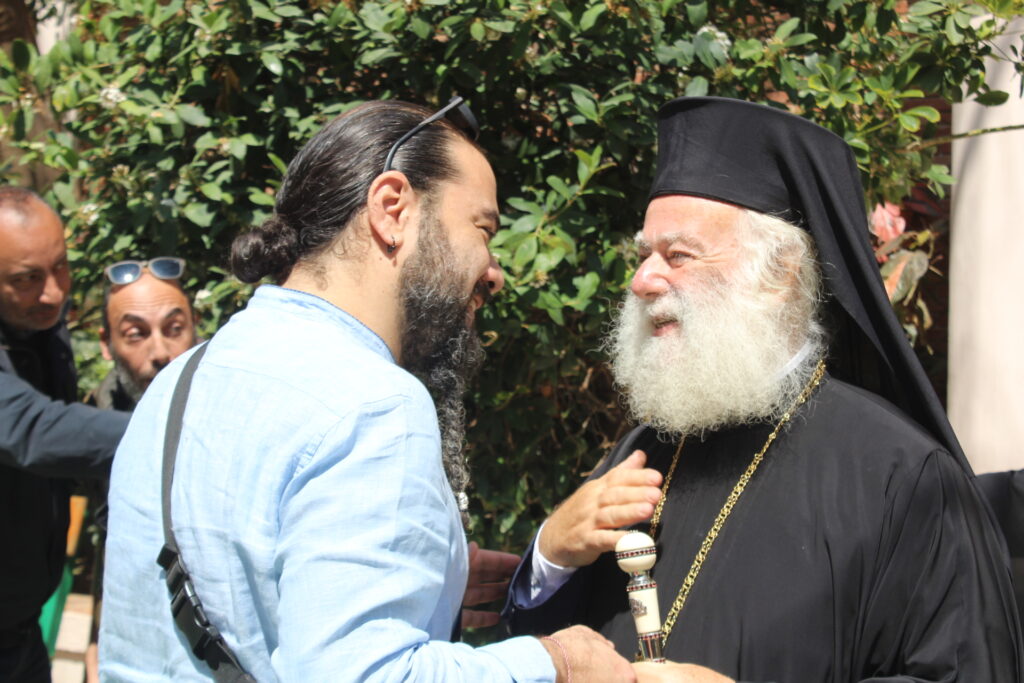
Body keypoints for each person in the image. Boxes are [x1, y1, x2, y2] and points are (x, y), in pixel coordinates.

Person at [99, 98, 634, 682]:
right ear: (392, 209)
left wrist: (420, 580)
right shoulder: (376, 404)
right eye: (482, 229)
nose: (494, 271)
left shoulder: (182, 379)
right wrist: (555, 662)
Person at [503, 96, 1023, 682]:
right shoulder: (644, 450)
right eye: (645, 254)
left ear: (779, 276)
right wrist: (550, 555)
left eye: (678, 255)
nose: (642, 280)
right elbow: (550, 651)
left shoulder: (904, 477)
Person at [0, 187, 130, 682]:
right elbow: (32, 429)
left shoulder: (38, 323)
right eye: (27, 279)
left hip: (21, 629)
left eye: (60, 267)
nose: (54, 292)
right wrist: (179, 426)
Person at [89, 257, 197, 411]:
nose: (160, 354)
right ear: (106, 344)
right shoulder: (96, 418)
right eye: (135, 334)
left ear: (194, 327)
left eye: (175, 329)